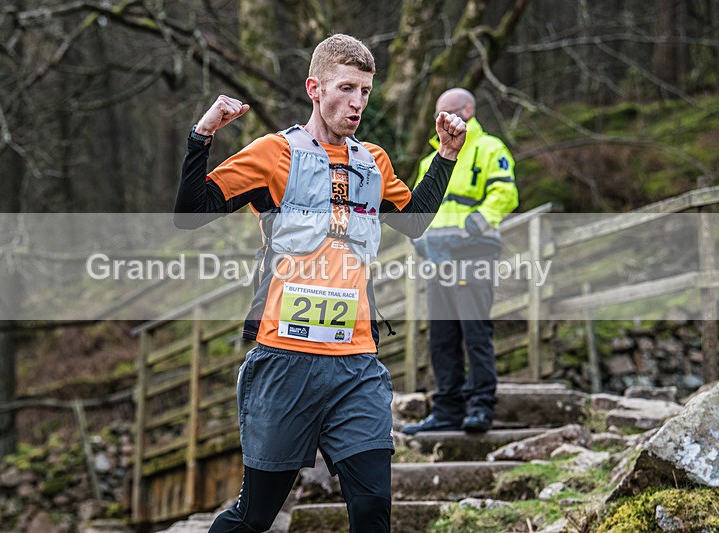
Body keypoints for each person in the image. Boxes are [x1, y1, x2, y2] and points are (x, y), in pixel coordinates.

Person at [174, 34, 466, 533]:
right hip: (284, 362)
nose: (357, 103)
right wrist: (202, 136)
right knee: (255, 517)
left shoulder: (372, 162)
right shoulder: (273, 153)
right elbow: (190, 213)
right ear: (315, 88)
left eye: (366, 92)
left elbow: (414, 221)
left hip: (355, 365)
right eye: (346, 88)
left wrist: (446, 155)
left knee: (373, 508)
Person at [402, 88, 518, 435]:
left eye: (451, 111)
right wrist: (419, 241)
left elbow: (505, 193)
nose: (445, 119)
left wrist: (471, 227)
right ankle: (447, 409)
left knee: (474, 330)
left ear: (469, 109)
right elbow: (416, 209)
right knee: (441, 335)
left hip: (473, 254)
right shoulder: (430, 160)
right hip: (439, 260)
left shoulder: (489, 148)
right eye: (439, 113)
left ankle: (481, 406)